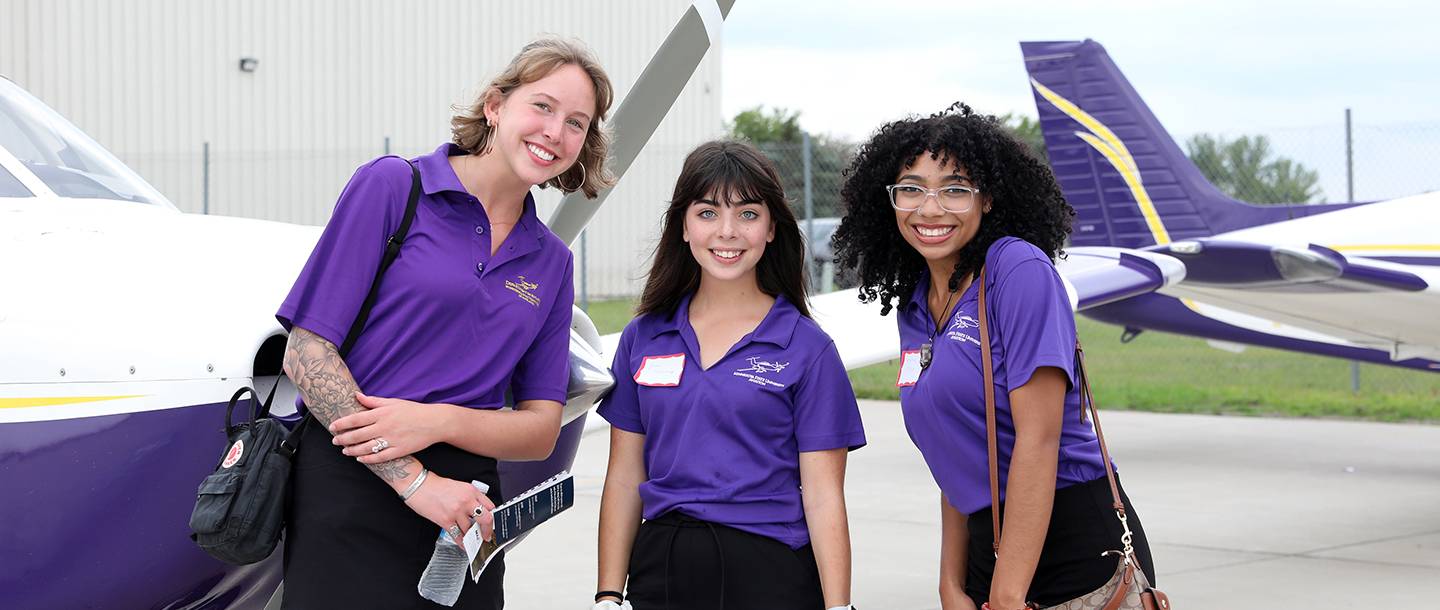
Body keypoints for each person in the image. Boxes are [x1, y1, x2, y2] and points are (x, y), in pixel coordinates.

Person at [276, 38, 615, 609]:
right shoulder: (392, 188)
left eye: (577, 123)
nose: (556, 132)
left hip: (467, 508)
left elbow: (538, 431)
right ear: (495, 106)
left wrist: (434, 423)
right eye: (543, 106)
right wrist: (414, 481)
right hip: (351, 481)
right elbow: (306, 354)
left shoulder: (551, 261)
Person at [830, 104, 1156, 610]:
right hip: (989, 554)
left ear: (987, 199)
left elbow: (1039, 438)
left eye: (955, 188)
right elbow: (955, 453)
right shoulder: (916, 306)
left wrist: (1007, 592)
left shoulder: (1016, 269)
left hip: (1070, 543)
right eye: (911, 188)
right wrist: (951, 582)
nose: (930, 208)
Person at [592, 141, 865, 610]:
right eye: (707, 212)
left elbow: (823, 497)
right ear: (683, 225)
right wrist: (608, 594)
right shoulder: (644, 336)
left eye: (747, 214)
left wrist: (838, 607)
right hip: (661, 569)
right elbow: (623, 475)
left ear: (772, 228)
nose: (727, 232)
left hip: (769, 571)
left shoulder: (808, 348)